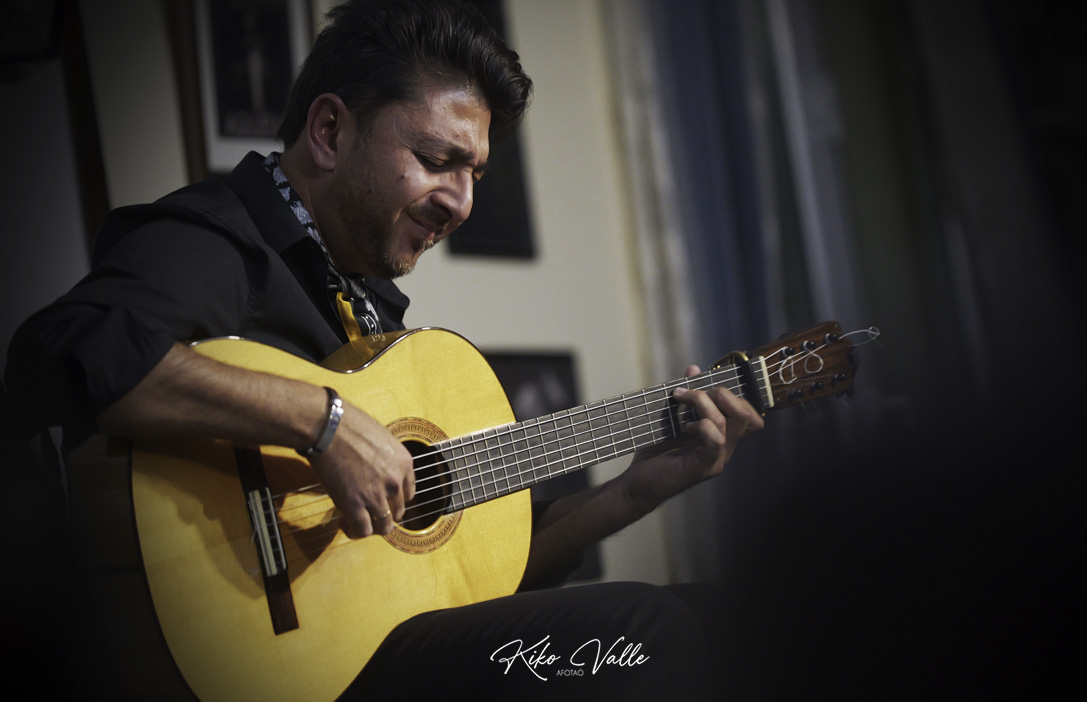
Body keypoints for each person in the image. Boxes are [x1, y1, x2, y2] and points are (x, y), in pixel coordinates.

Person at [5, 1, 762, 698]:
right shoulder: (223, 240)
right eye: (436, 159)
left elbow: (469, 579)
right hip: (249, 670)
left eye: (474, 173)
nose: (462, 201)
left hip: (351, 654)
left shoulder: (363, 301)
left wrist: (636, 491)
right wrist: (321, 421)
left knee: (717, 614)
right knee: (644, 630)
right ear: (330, 131)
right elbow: (69, 350)